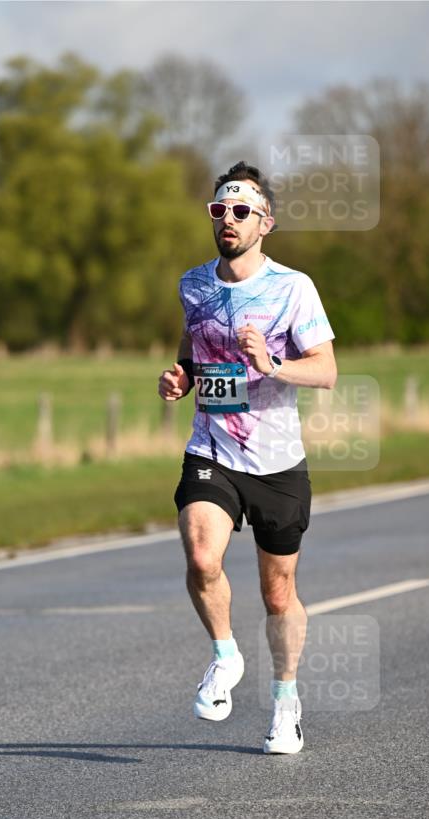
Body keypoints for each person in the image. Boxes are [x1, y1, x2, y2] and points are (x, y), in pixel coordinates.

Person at [158, 161, 337, 754]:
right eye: (219, 210)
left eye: (240, 211)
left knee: (278, 594)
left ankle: (285, 702)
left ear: (266, 223)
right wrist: (179, 378)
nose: (228, 219)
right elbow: (192, 350)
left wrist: (273, 365)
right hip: (212, 449)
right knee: (202, 555)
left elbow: (327, 370)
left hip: (278, 461)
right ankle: (225, 656)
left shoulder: (293, 288)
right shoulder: (193, 284)